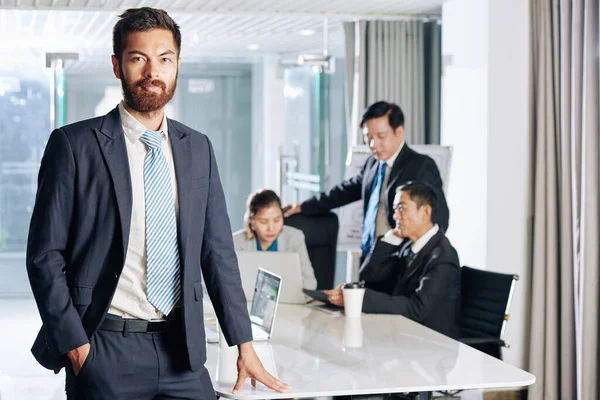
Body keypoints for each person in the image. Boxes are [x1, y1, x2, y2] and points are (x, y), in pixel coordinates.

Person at [26, 7, 289, 399]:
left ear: (177, 64)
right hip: (105, 350)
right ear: (117, 66)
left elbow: (218, 252)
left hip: (182, 352)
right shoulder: (74, 145)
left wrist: (244, 344)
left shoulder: (197, 147)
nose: (153, 71)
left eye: (164, 59)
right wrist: (77, 349)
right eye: (138, 58)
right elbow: (45, 255)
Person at [284, 101, 450, 258]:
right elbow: (344, 191)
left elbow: (439, 218)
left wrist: (415, 257)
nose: (373, 144)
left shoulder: (421, 165)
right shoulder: (373, 163)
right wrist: (304, 206)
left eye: (380, 136)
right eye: (368, 137)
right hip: (371, 257)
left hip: (401, 261)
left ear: (399, 132)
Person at [325, 181, 461, 339]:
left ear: (425, 211)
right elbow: (371, 281)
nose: (395, 216)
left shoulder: (443, 257)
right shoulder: (407, 247)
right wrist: (387, 242)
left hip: (431, 345)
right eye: (395, 210)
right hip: (402, 334)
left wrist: (360, 298)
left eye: (401, 209)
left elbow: (416, 309)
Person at [232, 189, 317, 290]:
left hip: (289, 302)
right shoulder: (236, 242)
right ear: (252, 221)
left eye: (277, 220)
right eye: (263, 222)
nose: (271, 228)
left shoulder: (295, 237)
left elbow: (310, 284)